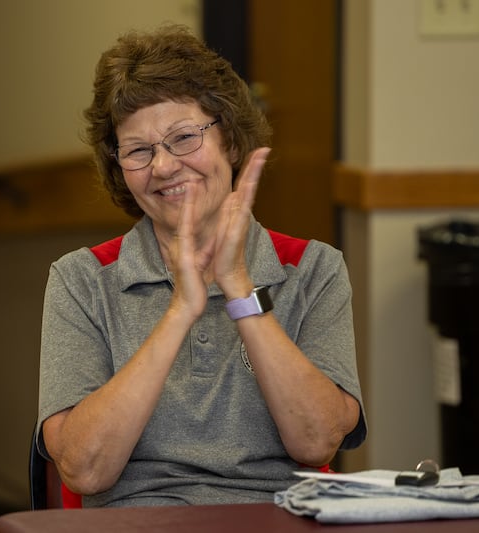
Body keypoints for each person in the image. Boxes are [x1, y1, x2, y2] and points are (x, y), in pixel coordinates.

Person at [35, 24, 366, 508]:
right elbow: (84, 470)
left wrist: (238, 287)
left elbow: (317, 442)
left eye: (184, 138)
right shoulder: (81, 279)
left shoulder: (313, 269)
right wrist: (180, 311)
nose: (164, 167)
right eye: (139, 150)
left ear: (230, 141)